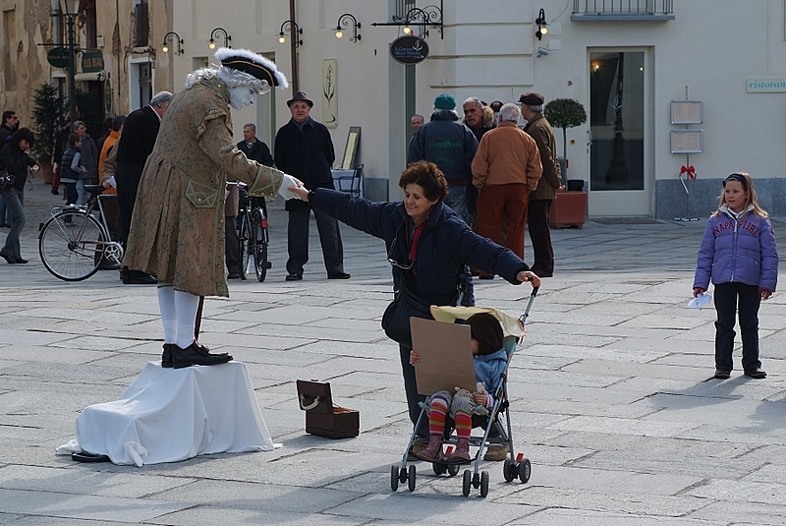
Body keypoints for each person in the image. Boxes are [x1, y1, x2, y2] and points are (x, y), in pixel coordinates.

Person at [289, 160, 540, 460]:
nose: (409, 201)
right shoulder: (393, 218)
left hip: (450, 309)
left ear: (433, 199)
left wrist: (517, 270)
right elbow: (354, 208)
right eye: (407, 194)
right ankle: (423, 435)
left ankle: (494, 436)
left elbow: (483, 248)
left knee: (462, 375)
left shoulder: (450, 227)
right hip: (412, 304)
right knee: (415, 370)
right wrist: (312, 196)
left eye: (417, 196)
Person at [123, 47, 302, 370]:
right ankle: (184, 344)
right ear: (235, 81)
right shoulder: (210, 105)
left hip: (165, 187)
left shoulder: (193, 92)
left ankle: (174, 343)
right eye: (251, 91)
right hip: (186, 193)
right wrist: (277, 182)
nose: (251, 100)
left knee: (170, 269)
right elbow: (228, 157)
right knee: (190, 269)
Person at [693, 172, 778, 380]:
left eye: (735, 191)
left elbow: (769, 254)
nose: (730, 195)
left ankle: (752, 365)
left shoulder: (760, 221)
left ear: (747, 194)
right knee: (724, 323)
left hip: (750, 280)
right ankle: (722, 365)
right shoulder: (715, 221)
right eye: (727, 191)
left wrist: (767, 283)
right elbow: (705, 253)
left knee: (749, 323)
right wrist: (700, 282)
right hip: (723, 280)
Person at [409, 313, 508, 463]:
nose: (464, 343)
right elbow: (435, 367)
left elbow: (498, 396)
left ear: (485, 340)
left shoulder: (496, 364)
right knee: (437, 400)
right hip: (449, 395)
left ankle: (463, 448)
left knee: (461, 401)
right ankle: (434, 445)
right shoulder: (459, 354)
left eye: (469, 339)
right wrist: (418, 361)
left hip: (473, 405)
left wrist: (487, 400)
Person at [275, 90, 349, 281]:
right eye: (296, 107)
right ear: (291, 109)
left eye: (303, 107)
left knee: (329, 228)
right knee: (297, 230)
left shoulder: (320, 130)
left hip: (321, 185)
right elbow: (279, 161)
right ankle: (295, 269)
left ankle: (335, 268)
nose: (300, 110)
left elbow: (329, 156)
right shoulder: (283, 133)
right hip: (295, 186)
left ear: (309, 109)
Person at [471, 103, 542, 276]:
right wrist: (529, 186)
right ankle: (515, 269)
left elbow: (479, 166)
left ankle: (488, 269)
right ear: (517, 119)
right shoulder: (526, 139)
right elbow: (536, 168)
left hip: (492, 188)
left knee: (489, 228)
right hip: (518, 187)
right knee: (516, 229)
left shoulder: (489, 137)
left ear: (500, 118)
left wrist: (480, 184)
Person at [115, 91, 173, 285]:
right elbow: (154, 151)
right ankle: (136, 270)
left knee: (130, 220)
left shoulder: (138, 115)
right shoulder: (146, 119)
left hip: (128, 173)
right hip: (134, 174)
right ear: (163, 106)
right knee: (137, 221)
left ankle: (129, 269)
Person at [408, 94, 477, 223]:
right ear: (454, 110)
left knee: (433, 219)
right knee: (457, 222)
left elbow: (414, 160)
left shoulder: (424, 131)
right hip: (458, 184)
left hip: (430, 185)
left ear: (435, 109)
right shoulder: (463, 130)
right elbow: (474, 159)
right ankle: (454, 242)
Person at [521, 92, 561, 277]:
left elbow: (545, 158)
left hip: (540, 187)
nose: (521, 109)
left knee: (539, 228)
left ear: (527, 108)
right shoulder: (542, 124)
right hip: (545, 186)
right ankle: (543, 263)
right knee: (540, 227)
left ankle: (544, 265)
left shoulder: (536, 128)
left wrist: (555, 181)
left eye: (523, 106)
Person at [228, 124, 275, 278]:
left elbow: (268, 162)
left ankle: (261, 243)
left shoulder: (261, 147)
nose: (245, 134)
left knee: (259, 213)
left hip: (257, 183)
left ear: (253, 133)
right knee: (241, 215)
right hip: (243, 184)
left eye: (247, 131)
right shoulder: (239, 147)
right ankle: (243, 235)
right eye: (244, 131)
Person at [0, 128, 40, 264]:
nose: (26, 146)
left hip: (19, 188)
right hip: (8, 188)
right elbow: (12, 167)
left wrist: (35, 166)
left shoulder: (20, 151)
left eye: (29, 144)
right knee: (21, 219)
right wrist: (24, 157)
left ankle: (15, 254)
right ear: (19, 139)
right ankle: (7, 250)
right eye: (25, 142)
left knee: (16, 220)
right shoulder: (7, 149)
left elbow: (32, 161)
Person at [0, 110, 19, 227]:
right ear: (7, 119)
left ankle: (3, 220)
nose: (15, 120)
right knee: (8, 191)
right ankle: (9, 220)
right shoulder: (5, 133)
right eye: (13, 118)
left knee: (3, 193)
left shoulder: (8, 132)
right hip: (5, 165)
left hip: (4, 164)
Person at [73, 121, 98, 205]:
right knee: (79, 190)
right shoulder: (73, 140)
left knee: (87, 191)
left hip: (89, 169)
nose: (83, 130)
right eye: (81, 128)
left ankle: (83, 206)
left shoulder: (89, 140)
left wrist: (94, 165)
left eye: (84, 128)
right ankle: (78, 206)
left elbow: (94, 153)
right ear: (76, 130)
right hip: (77, 170)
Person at [59, 133, 84, 207]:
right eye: (79, 141)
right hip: (70, 178)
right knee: (73, 197)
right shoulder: (76, 153)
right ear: (75, 142)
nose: (81, 143)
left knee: (71, 197)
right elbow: (73, 166)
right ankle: (66, 213)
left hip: (65, 176)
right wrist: (80, 170)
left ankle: (67, 213)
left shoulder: (68, 151)